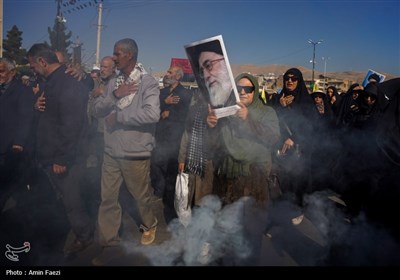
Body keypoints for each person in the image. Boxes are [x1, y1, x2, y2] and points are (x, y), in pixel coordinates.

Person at [92, 38, 160, 266]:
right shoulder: (114, 82)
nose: (113, 58)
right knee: (108, 199)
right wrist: (115, 95)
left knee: (140, 197)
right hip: (111, 150)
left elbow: (152, 115)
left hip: (135, 153)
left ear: (129, 55)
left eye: (116, 54)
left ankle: (150, 224)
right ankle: (109, 243)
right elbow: (98, 109)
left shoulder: (148, 83)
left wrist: (120, 116)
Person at [26, 44, 93, 257]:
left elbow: (71, 125)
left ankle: (84, 236)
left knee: (72, 201)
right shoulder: (51, 82)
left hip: (64, 158)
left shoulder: (67, 83)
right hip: (51, 153)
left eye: (32, 65)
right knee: (64, 199)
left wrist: (62, 158)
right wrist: (36, 106)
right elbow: (50, 114)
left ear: (42, 62)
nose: (32, 70)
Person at [150, 66, 192, 210]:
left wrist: (171, 115)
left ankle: (169, 196)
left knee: (171, 166)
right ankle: (158, 189)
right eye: (167, 71)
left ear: (178, 77)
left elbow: (187, 116)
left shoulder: (185, 94)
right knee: (156, 162)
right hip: (160, 134)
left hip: (175, 137)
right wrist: (165, 104)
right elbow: (153, 109)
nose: (167, 74)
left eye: (170, 72)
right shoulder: (162, 93)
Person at [0, 57, 35, 212]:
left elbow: (25, 117)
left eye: (1, 71)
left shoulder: (23, 90)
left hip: (11, 147)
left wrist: (19, 142)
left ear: (12, 72)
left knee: (12, 187)